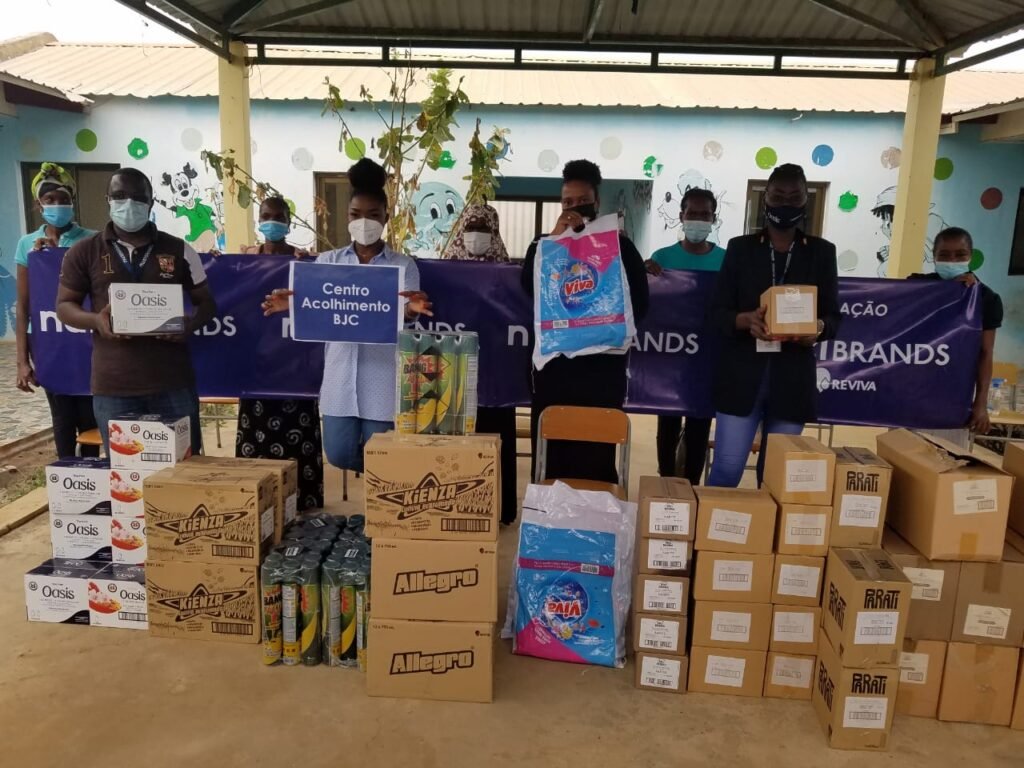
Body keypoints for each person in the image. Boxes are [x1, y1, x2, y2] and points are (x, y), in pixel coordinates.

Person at [262, 158, 432, 479]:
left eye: (373, 215)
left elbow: (405, 314)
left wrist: (412, 311)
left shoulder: (402, 266)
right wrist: (293, 305)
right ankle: (391, 479)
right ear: (347, 216)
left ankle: (383, 500)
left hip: (382, 378)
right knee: (339, 453)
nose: (364, 222)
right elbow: (316, 306)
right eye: (356, 215)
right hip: (339, 379)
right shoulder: (328, 262)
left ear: (386, 217)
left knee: (383, 458)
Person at [55, 167, 216, 456]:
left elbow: (207, 304)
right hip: (113, 387)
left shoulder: (180, 250)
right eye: (119, 196)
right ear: (107, 199)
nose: (128, 204)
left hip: (173, 384)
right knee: (125, 471)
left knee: (185, 471)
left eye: (138, 197)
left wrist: (189, 325)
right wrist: (97, 321)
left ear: (151, 202)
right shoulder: (84, 251)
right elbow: (64, 307)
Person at [708, 163, 840, 488]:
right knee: (726, 470)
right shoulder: (740, 249)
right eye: (778, 195)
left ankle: (767, 525)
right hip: (741, 377)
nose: (785, 203)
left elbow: (834, 317)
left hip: (792, 380)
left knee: (776, 480)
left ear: (806, 200)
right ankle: (714, 524)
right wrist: (745, 320)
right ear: (765, 197)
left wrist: (817, 329)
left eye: (795, 197)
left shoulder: (822, 253)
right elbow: (716, 313)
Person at [521, 160, 650, 484]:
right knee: (551, 459)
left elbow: (640, 304)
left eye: (582, 202)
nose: (574, 209)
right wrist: (555, 242)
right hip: (555, 373)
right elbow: (528, 288)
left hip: (601, 373)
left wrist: (598, 328)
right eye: (568, 202)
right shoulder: (543, 245)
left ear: (597, 201)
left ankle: (597, 513)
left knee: (596, 458)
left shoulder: (620, 247)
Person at [236, 196, 324, 510]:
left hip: (295, 368)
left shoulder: (303, 262)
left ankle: (302, 505)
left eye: (278, 216)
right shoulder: (244, 260)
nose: (271, 221)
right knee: (256, 437)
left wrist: (310, 265)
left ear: (288, 222)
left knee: (298, 435)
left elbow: (320, 300)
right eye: (266, 215)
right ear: (258, 219)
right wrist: (217, 262)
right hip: (256, 368)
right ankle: (257, 504)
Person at [15, 163, 98, 458]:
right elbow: (24, 305)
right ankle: (66, 474)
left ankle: (90, 474)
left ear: (72, 203)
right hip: (48, 341)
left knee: (90, 416)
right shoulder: (28, 245)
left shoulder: (92, 239)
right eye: (50, 199)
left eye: (64, 199)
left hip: (85, 341)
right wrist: (22, 361)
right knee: (61, 418)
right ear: (39, 205)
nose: (57, 205)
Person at [442, 203, 518, 524]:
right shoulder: (444, 272)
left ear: (495, 232)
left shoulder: (509, 276)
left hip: (497, 375)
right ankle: (460, 507)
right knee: (458, 444)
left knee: (498, 440)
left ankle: (499, 509)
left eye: (484, 229)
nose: (477, 235)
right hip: (455, 373)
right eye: (471, 227)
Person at [646, 187, 726, 483]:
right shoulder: (662, 258)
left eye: (705, 214)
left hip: (707, 359)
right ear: (681, 216)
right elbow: (649, 303)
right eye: (693, 213)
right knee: (667, 425)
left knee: (699, 427)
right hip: (670, 358)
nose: (698, 219)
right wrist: (644, 275)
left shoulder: (726, 260)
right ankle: (666, 483)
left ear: (713, 219)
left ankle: (690, 487)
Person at [909, 227, 1002, 448]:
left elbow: (985, 353)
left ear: (970, 257)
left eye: (960, 255)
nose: (952, 261)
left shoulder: (986, 299)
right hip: (910, 394)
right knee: (901, 454)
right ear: (934, 257)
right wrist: (950, 290)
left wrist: (980, 404)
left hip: (953, 399)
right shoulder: (917, 287)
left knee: (947, 461)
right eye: (944, 255)